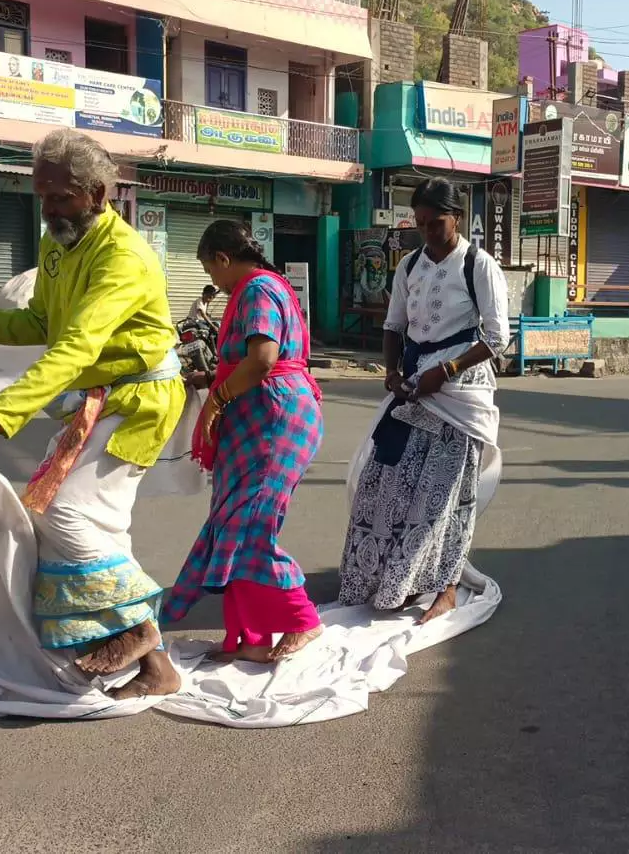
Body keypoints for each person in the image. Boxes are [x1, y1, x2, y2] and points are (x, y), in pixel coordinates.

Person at [0, 128, 184, 700]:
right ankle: (154, 662)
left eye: (60, 198)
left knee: (65, 515)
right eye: (42, 196)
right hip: (93, 399)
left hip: (137, 404)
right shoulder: (57, 244)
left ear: (99, 193)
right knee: (84, 520)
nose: (49, 209)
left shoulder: (124, 257)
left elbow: (75, 348)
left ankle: (144, 638)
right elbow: (39, 326)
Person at [339, 178, 508, 624]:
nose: (428, 231)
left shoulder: (478, 264)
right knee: (380, 485)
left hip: (460, 392)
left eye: (437, 223)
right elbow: (394, 326)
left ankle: (446, 588)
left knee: (442, 497)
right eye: (420, 223)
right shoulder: (410, 265)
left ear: (457, 217)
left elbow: (496, 337)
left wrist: (446, 371)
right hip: (415, 384)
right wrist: (392, 372)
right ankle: (389, 578)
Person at [161, 220, 325, 663]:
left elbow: (264, 359)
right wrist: (209, 379)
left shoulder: (255, 290)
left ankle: (303, 619)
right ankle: (252, 639)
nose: (212, 280)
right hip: (261, 419)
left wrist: (219, 398)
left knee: (249, 528)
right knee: (233, 526)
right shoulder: (264, 288)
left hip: (275, 419)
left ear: (223, 258)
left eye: (210, 270)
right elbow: (249, 361)